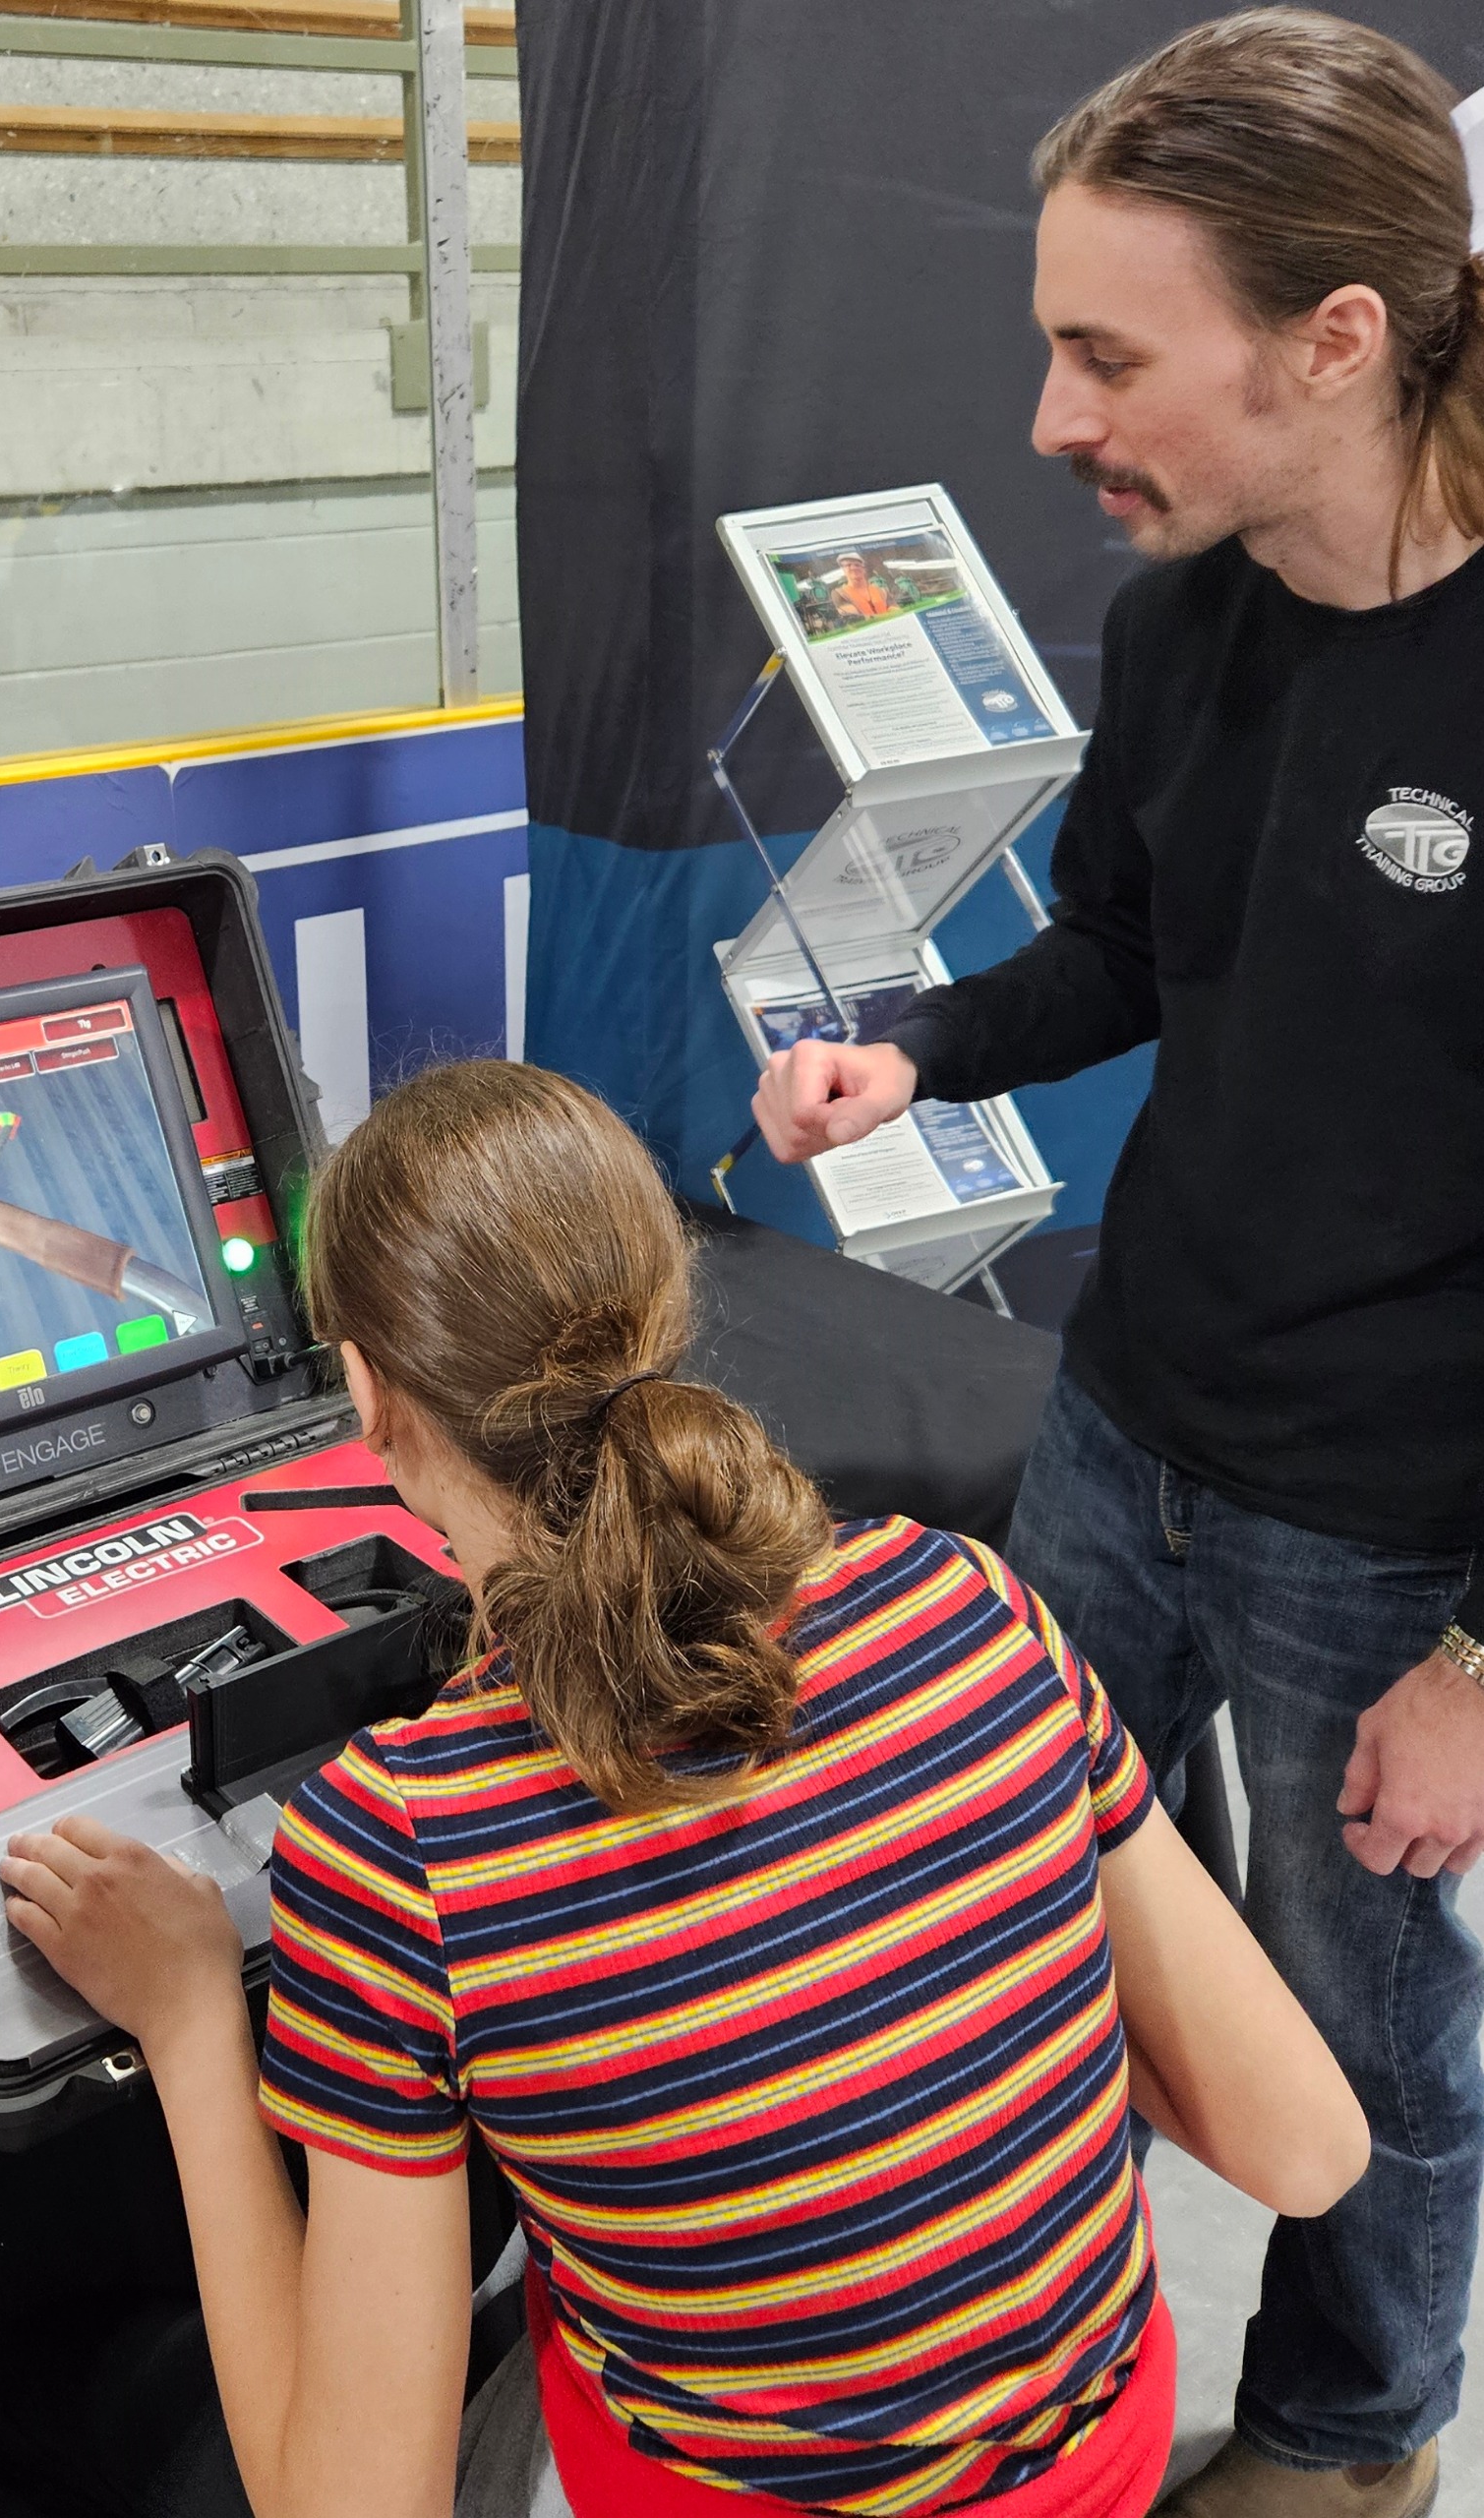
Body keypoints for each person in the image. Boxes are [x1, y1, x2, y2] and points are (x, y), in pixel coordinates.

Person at [0, 1059, 1368, 2518]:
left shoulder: (401, 1846)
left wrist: (196, 2021)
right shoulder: (962, 1602)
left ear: (365, 1390)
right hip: (1101, 2456)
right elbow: (1306, 2145)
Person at [747, 17, 1484, 2514]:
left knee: (1370, 2032)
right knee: (1035, 1894)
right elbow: (1120, 950)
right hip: (1120, 1414)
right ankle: (1064, 2336)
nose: (1052, 415)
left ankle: (1345, 2427)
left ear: (1335, 338)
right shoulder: (1180, 615)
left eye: (1101, 351)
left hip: (1385, 1532)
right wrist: (920, 1049)